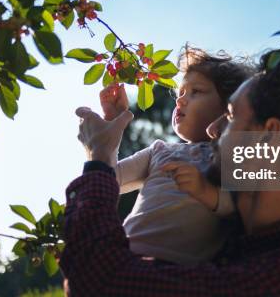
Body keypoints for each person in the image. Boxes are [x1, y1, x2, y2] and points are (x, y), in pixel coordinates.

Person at [61, 53, 280, 296]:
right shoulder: (249, 247)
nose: (212, 129)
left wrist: (99, 157)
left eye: (230, 117)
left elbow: (101, 284)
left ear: (270, 137)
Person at [98, 47, 252, 265]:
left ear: (228, 107)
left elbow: (243, 204)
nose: (180, 100)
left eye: (195, 91)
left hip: (180, 272)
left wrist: (208, 193)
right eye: (180, 93)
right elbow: (107, 180)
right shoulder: (159, 150)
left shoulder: (232, 154)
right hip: (125, 256)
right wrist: (113, 129)